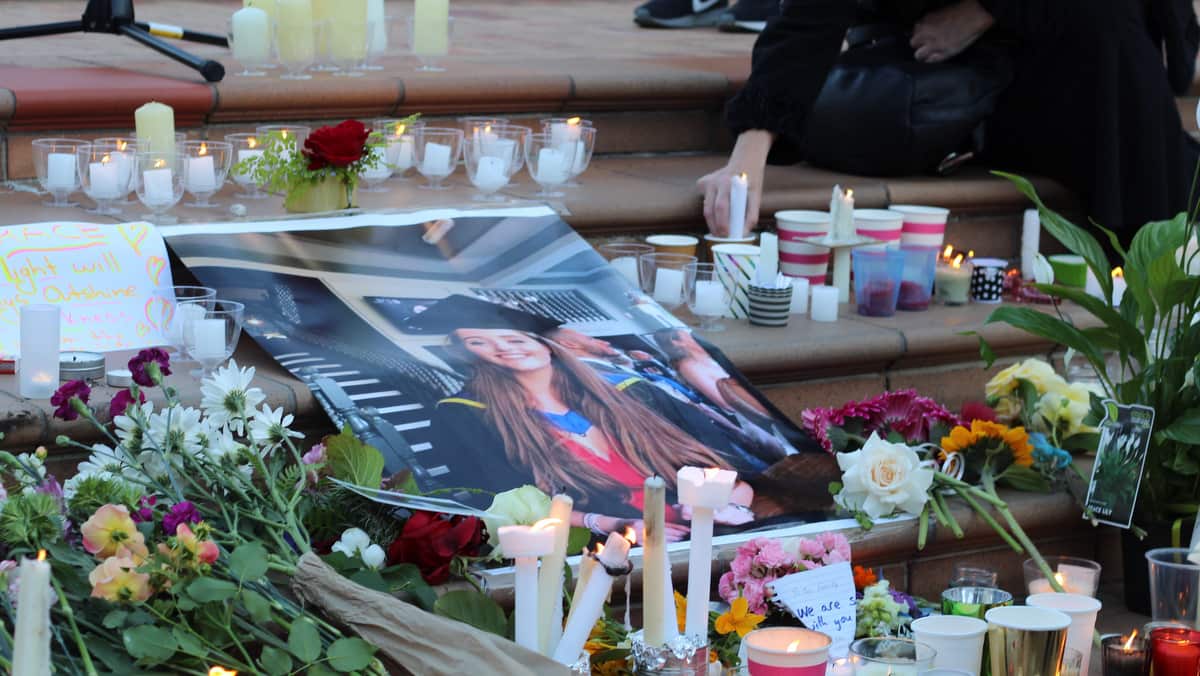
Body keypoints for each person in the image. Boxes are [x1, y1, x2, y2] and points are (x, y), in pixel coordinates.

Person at [699, 0, 1200, 243]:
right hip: (930, 66)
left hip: (1044, 46)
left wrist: (984, 11)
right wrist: (750, 149)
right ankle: (1151, 256)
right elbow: (810, 18)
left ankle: (1150, 261)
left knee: (1109, 23)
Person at [416, 296, 760, 539]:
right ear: (467, 356)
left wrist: (726, 507)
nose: (505, 347)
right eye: (479, 342)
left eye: (513, 336)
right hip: (603, 557)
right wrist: (612, 526)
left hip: (707, 541)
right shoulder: (466, 418)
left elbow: (735, 475)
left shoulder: (631, 392)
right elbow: (503, 508)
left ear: (545, 344)